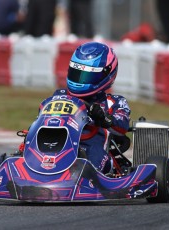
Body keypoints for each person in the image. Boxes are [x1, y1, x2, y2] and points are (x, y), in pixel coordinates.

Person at [52, 42, 131, 175]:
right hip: (59, 143)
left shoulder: (114, 102)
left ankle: (88, 177)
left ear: (106, 74)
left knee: (93, 157)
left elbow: (122, 125)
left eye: (87, 76)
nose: (79, 80)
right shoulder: (59, 96)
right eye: (77, 73)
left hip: (92, 147)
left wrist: (103, 118)